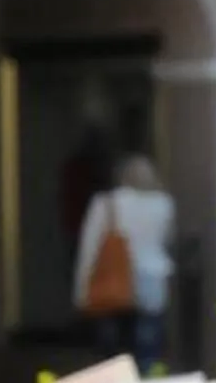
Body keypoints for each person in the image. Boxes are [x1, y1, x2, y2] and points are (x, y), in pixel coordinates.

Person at [73, 155, 175, 366]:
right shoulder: (164, 204)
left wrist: (82, 290)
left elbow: (90, 248)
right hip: (153, 283)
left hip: (114, 283)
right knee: (147, 354)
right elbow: (166, 240)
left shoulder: (106, 203)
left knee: (114, 358)